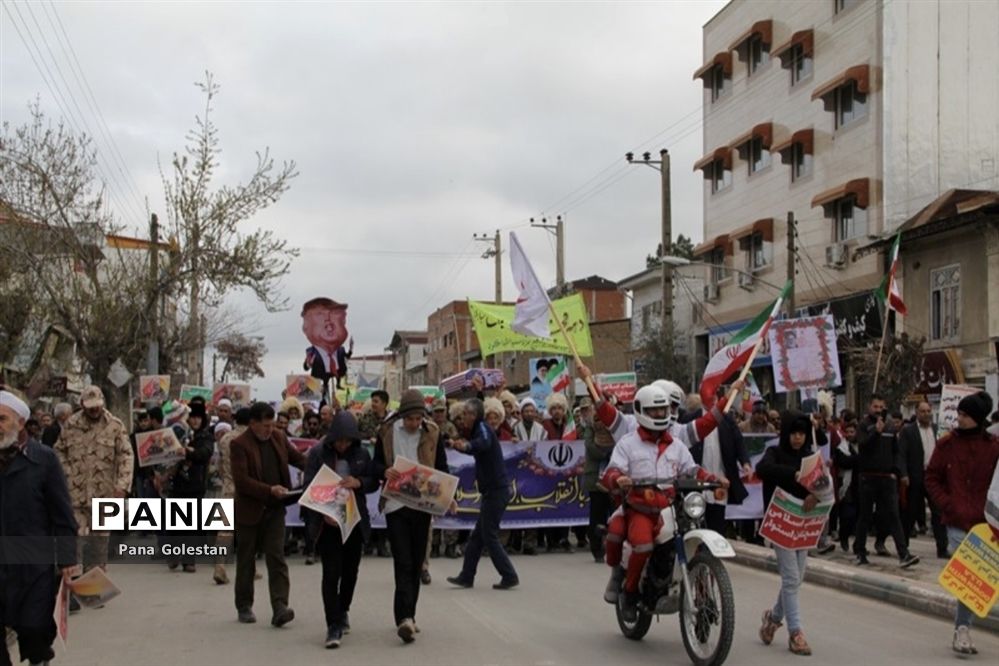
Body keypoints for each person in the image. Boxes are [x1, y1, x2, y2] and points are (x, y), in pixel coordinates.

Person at [600, 385, 728, 622]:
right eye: (654, 411)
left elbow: (691, 469)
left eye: (663, 410)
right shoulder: (628, 443)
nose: (660, 415)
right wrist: (619, 479)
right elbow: (611, 472)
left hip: (671, 506)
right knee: (643, 545)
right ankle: (629, 592)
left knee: (696, 538)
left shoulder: (677, 444)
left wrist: (713, 479)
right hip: (640, 508)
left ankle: (698, 594)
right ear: (640, 411)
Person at [0, 391, 78, 666]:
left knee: (33, 627)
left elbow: (62, 513)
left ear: (20, 423)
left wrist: (68, 558)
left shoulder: (43, 459)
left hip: (34, 563)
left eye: (2, 419)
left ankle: (40, 655)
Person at [925, 391, 999, 656]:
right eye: (959, 413)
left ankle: (963, 627)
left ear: (978, 419)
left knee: (979, 578)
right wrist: (947, 503)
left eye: (966, 415)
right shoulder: (946, 445)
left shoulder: (993, 447)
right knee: (968, 575)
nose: (960, 418)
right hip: (956, 521)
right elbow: (931, 477)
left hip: (985, 523)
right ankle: (963, 629)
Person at [373, 389, 447, 644]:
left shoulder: (433, 433)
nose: (414, 423)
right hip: (395, 504)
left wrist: (450, 497)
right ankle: (403, 617)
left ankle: (410, 616)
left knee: (416, 562)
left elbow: (442, 469)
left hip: (422, 505)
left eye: (418, 419)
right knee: (403, 561)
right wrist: (386, 471)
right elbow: (375, 466)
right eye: (410, 419)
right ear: (402, 416)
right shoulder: (386, 432)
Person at [303, 411, 377, 649]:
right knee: (330, 573)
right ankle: (332, 624)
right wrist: (325, 512)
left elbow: (373, 480)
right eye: (339, 441)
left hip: (353, 521)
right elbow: (309, 486)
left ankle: (343, 609)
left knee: (350, 572)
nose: (343, 445)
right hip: (327, 523)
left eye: (347, 441)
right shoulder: (317, 453)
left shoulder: (362, 453)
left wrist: (359, 482)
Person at [230, 402, 307, 626]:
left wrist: (315, 468)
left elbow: (297, 458)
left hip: (275, 510)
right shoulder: (239, 444)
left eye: (272, 425)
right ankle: (244, 605)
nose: (269, 430)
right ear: (253, 424)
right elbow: (242, 481)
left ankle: (280, 606)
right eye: (265, 426)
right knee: (246, 559)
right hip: (250, 512)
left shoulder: (278, 438)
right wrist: (268, 490)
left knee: (277, 557)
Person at [756, 412, 826, 656]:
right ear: (786, 434)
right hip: (781, 522)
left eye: (802, 433)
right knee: (790, 577)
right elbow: (763, 469)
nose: (798, 438)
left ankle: (773, 618)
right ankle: (796, 633)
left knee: (797, 577)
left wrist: (814, 495)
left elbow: (823, 487)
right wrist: (793, 474)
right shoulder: (774, 453)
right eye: (794, 433)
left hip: (803, 523)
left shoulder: (810, 457)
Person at [54, 385, 133, 574]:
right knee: (75, 542)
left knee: (98, 546)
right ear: (82, 404)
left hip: (105, 496)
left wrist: (122, 487)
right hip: (76, 495)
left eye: (97, 405)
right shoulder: (71, 425)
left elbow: (126, 457)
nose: (94, 409)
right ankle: (73, 586)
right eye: (90, 406)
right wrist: (66, 473)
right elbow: (58, 451)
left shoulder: (115, 426)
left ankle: (95, 588)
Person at [447, 398, 519, 590]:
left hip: (497, 491)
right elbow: (477, 449)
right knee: (477, 537)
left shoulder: (483, 429)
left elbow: (483, 444)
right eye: (464, 414)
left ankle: (509, 575)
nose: (466, 417)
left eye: (469, 414)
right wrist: (458, 446)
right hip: (491, 491)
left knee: (489, 535)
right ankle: (466, 576)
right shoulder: (477, 430)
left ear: (476, 415)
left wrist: (467, 446)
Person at [853, 395, 919, 568]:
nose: (878, 409)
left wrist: (896, 471)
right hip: (868, 477)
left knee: (894, 515)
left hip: (886, 478)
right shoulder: (863, 425)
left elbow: (896, 451)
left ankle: (904, 554)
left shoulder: (890, 426)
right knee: (865, 516)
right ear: (869, 407)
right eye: (875, 406)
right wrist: (875, 432)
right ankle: (860, 551)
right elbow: (862, 445)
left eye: (881, 406)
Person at [164, 401, 214, 573]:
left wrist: (187, 452)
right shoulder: (176, 432)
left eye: (198, 418)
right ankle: (174, 556)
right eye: (192, 417)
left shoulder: (205, 436)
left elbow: (204, 453)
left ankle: (188, 560)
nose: (194, 421)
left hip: (195, 485)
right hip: (176, 484)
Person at [898, 401, 948, 556]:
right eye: (923, 411)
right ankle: (903, 546)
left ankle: (942, 547)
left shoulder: (937, 430)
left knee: (938, 512)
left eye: (928, 411)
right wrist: (904, 474)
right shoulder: (908, 431)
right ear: (917, 413)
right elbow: (901, 454)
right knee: (910, 512)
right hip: (915, 477)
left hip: (933, 477)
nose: (926, 414)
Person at [581, 401, 615, 562]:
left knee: (615, 514)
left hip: (615, 477)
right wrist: (608, 454)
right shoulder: (590, 425)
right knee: (597, 515)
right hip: (596, 477)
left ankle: (614, 547)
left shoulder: (616, 424)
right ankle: (597, 548)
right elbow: (590, 446)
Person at [359, 390, 391, 558]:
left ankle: (382, 543)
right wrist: (369, 438)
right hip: (368, 466)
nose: (373, 404)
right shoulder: (365, 419)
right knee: (368, 503)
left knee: (382, 505)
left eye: (377, 401)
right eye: (372, 401)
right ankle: (368, 542)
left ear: (385, 403)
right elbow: (356, 435)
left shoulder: (391, 421)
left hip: (385, 467)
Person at [301, 298, 352, 389]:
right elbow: (306, 367)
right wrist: (309, 363)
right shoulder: (311, 352)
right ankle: (325, 387)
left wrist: (351, 349)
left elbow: (347, 356)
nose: (329, 322)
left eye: (333, 314)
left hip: (338, 377)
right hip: (320, 382)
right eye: (320, 315)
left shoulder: (340, 349)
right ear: (306, 327)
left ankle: (337, 384)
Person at [832, 421, 860, 552]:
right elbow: (844, 462)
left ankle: (859, 545)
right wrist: (858, 459)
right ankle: (843, 537)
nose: (850, 434)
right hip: (846, 486)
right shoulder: (841, 448)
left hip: (860, 485)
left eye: (852, 432)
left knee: (860, 517)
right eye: (847, 432)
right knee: (848, 515)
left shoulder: (860, 445)